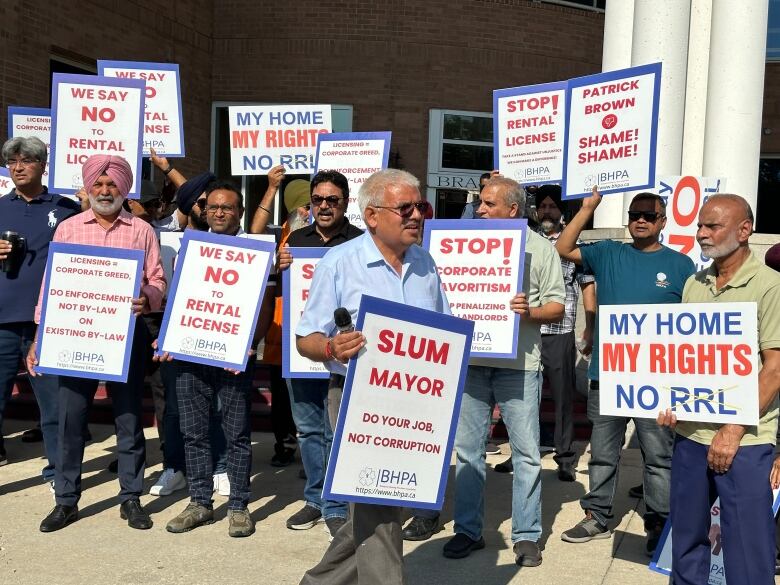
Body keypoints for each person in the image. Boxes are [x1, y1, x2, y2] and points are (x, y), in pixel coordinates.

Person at [296, 169, 449, 585]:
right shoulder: (339, 263)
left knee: (380, 504)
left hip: (415, 401)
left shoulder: (426, 263)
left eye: (421, 206)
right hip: (353, 398)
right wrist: (331, 348)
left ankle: (318, 582)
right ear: (372, 216)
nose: (416, 215)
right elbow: (305, 339)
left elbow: (442, 330)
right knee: (381, 503)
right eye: (406, 208)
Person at [420, 177, 565, 566]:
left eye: (487, 204)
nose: (479, 210)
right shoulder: (458, 245)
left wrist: (527, 312)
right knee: (468, 454)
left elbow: (557, 307)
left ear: (512, 210)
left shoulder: (539, 249)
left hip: (518, 366)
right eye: (479, 204)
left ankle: (527, 535)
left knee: (527, 454)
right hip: (471, 363)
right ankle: (468, 530)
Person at [27, 155, 165, 532]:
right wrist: (39, 338)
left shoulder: (142, 231)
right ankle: (66, 500)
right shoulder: (69, 229)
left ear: (125, 188)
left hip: (126, 338)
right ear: (88, 187)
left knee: (129, 418)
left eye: (113, 184)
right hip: (72, 337)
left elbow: (158, 280)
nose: (105, 191)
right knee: (70, 420)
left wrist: (148, 296)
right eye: (99, 184)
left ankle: (131, 498)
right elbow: (51, 287)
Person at [556, 187, 696, 555]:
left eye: (650, 216)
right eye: (636, 214)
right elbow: (563, 247)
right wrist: (587, 208)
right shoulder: (607, 252)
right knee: (603, 452)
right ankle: (598, 515)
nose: (641, 220)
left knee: (658, 458)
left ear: (663, 222)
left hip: (657, 380)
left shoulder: (682, 266)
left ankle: (659, 523)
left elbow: (695, 323)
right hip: (609, 375)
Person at [657, 194, 780, 585]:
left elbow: (775, 369)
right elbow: (688, 359)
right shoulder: (695, 284)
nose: (701, 234)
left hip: (744, 442)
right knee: (688, 542)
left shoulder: (771, 286)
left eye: (713, 226)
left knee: (747, 550)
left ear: (745, 230)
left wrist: (733, 429)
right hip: (690, 435)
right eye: (699, 225)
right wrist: (669, 400)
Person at [165, 180, 263, 538]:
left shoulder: (254, 252)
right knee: (194, 433)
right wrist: (169, 338)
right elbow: (178, 299)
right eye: (213, 207)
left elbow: (264, 305)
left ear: (239, 212)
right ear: (204, 212)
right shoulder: (188, 249)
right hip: (190, 354)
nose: (220, 212)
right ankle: (199, 503)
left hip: (234, 355)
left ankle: (238, 505)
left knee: (236, 433)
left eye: (228, 207)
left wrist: (252, 342)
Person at [278, 170, 362, 537]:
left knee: (336, 431)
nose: (325, 206)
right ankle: (314, 499)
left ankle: (337, 503)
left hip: (343, 354)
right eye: (318, 200)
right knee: (309, 430)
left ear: (346, 203)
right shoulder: (295, 240)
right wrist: (277, 268)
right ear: (310, 203)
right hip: (303, 350)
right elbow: (280, 293)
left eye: (333, 200)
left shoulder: (361, 242)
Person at [0, 137, 80, 480]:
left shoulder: (66, 208)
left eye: (26, 161)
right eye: (12, 162)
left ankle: (58, 471)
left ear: (42, 165)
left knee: (52, 405)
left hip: (46, 322)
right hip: (1, 320)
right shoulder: (0, 206)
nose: (18, 167)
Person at [536, 184, 595, 481]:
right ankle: (528, 451)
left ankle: (565, 455)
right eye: (542, 206)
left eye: (552, 206)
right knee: (526, 396)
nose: (547, 211)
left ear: (562, 211)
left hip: (560, 327)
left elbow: (586, 285)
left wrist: (590, 327)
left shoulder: (574, 244)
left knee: (561, 396)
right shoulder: (526, 241)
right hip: (529, 328)